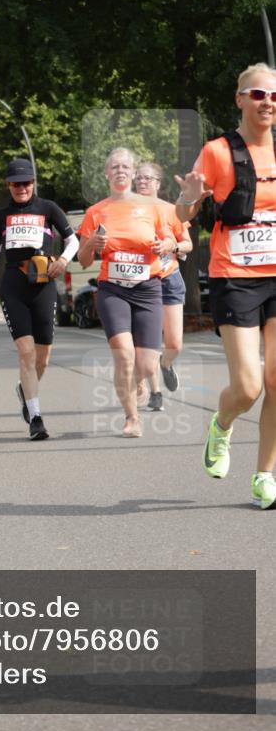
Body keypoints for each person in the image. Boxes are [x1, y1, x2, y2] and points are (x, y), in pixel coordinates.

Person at [175, 63, 276, 510]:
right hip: (235, 277)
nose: (267, 102)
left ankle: (265, 476)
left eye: (273, 96)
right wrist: (189, 197)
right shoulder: (217, 153)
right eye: (258, 94)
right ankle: (222, 423)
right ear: (240, 99)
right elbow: (183, 215)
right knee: (249, 386)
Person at [0, 158, 79, 441]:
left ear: (33, 183)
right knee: (26, 353)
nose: (21, 188)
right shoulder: (0, 216)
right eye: (16, 184)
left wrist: (63, 261)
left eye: (26, 183)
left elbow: (73, 241)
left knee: (43, 357)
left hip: (44, 283)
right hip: (14, 285)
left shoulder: (48, 208)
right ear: (8, 185)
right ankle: (36, 418)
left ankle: (24, 390)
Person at [77, 148, 176, 438]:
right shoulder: (96, 211)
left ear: (133, 173)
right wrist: (92, 243)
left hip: (148, 288)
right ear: (106, 174)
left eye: (125, 166)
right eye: (114, 167)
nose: (120, 170)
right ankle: (132, 418)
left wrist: (166, 245)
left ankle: (138, 381)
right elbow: (83, 260)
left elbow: (171, 238)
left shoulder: (152, 207)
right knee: (124, 354)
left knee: (146, 363)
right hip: (113, 289)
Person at [134, 161, 193, 411]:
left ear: (158, 183)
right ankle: (153, 391)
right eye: (139, 178)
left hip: (169, 279)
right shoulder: (129, 211)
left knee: (174, 344)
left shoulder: (171, 210)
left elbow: (188, 243)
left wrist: (173, 246)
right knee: (146, 341)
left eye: (147, 178)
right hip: (142, 280)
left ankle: (165, 363)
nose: (142, 182)